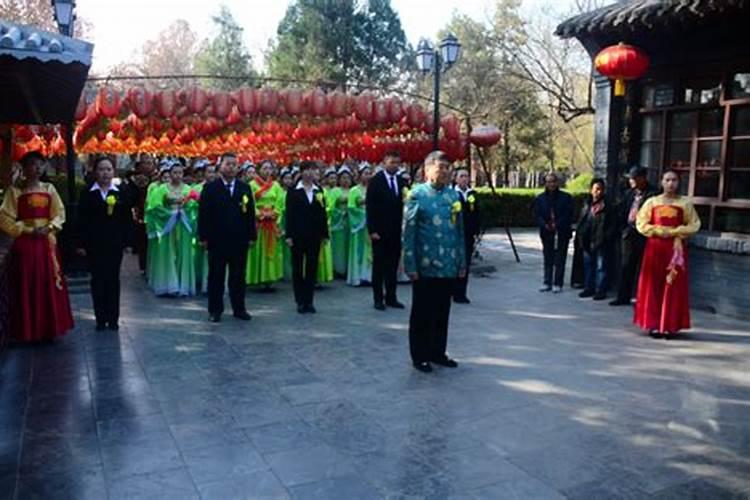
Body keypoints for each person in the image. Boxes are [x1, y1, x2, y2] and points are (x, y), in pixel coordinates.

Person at [0, 151, 74, 342]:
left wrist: (50, 227)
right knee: (26, 283)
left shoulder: (49, 189)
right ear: (24, 169)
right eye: (32, 164)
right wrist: (25, 229)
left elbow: (59, 213)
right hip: (25, 244)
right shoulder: (15, 192)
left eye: (41, 164)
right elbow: (4, 217)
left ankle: (47, 328)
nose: (37, 168)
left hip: (46, 243)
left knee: (46, 282)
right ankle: (26, 330)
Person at [403, 151, 466, 373]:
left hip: (448, 263)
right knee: (422, 312)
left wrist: (461, 261)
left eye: (448, 167)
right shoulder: (417, 195)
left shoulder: (453, 197)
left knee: (442, 311)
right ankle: (419, 355)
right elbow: (408, 232)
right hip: (425, 264)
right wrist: (410, 264)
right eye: (441, 167)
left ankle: (437, 352)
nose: (446, 172)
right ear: (427, 169)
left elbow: (459, 230)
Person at [634, 170, 700, 338]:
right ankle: (654, 324)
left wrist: (675, 231)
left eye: (674, 180)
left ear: (679, 183)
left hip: (675, 249)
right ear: (662, 182)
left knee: (673, 285)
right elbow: (641, 223)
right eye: (667, 180)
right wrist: (657, 230)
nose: (671, 183)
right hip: (655, 248)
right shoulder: (652, 202)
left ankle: (670, 324)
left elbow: (694, 224)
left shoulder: (685, 203)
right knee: (653, 285)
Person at [198, 152, 256, 322]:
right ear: (220, 166)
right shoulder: (210, 188)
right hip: (217, 240)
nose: (231, 167)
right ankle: (215, 310)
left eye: (234, 164)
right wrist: (203, 237)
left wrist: (251, 235)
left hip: (239, 239)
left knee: (238, 276)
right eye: (228, 164)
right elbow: (204, 215)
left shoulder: (244, 188)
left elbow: (250, 214)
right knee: (216, 276)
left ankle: (239, 308)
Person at [77, 156, 133, 330]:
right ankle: (100, 318)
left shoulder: (120, 192)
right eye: (101, 169)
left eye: (108, 169)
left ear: (113, 172)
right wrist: (80, 243)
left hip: (114, 244)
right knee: (98, 280)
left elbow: (127, 219)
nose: (105, 173)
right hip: (94, 244)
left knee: (113, 280)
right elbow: (81, 220)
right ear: (95, 172)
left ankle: (113, 318)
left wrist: (127, 241)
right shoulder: (88, 193)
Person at [145, 162, 198, 297]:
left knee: (183, 253)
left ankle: (182, 284)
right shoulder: (162, 189)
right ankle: (168, 284)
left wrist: (185, 208)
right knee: (167, 253)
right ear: (170, 174)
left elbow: (193, 206)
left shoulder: (188, 189)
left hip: (183, 223)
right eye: (174, 173)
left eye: (180, 173)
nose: (177, 175)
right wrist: (169, 213)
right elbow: (154, 206)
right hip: (168, 224)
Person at [285, 161, 329, 314]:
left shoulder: (319, 190)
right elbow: (289, 214)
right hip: (297, 235)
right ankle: (299, 300)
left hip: (314, 235)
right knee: (297, 269)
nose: (310, 173)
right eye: (307, 170)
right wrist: (289, 235)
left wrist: (324, 234)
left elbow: (323, 213)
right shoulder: (293, 191)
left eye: (313, 170)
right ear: (301, 172)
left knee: (311, 268)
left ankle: (309, 301)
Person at [610, 166, 658, 306]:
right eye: (630, 178)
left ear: (642, 178)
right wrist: (622, 228)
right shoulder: (629, 194)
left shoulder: (653, 194)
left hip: (644, 236)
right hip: (628, 235)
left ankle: (642, 299)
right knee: (626, 266)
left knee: (644, 269)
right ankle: (623, 296)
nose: (631, 181)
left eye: (633, 178)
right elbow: (622, 212)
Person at [366, 151, 406, 310]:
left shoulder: (402, 181)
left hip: (396, 230)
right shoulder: (376, 181)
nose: (395, 166)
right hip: (380, 231)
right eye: (392, 162)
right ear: (384, 163)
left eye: (397, 163)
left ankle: (391, 296)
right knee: (379, 266)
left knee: (393, 265)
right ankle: (378, 298)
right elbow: (370, 207)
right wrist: (372, 230)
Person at [246, 160, 284, 290]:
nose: (267, 171)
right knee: (258, 250)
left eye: (270, 168)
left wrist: (274, 213)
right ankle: (258, 278)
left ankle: (270, 279)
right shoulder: (251, 185)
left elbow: (280, 202)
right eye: (265, 168)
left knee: (272, 250)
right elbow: (249, 203)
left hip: (272, 222)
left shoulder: (276, 186)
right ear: (259, 170)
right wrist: (259, 214)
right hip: (259, 223)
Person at [576, 178, 616, 301]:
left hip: (601, 241)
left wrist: (605, 237)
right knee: (588, 265)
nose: (598, 192)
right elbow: (582, 220)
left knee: (601, 267)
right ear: (591, 190)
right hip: (587, 240)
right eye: (596, 189)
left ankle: (600, 290)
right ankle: (589, 288)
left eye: (600, 189)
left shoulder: (608, 205)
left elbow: (612, 225)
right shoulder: (587, 203)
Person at [533, 172, 574, 293]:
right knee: (548, 257)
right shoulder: (540, 198)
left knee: (560, 258)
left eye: (553, 181)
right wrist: (545, 224)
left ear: (557, 183)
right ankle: (547, 281)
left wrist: (558, 224)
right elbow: (537, 214)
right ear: (545, 183)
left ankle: (558, 283)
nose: (551, 184)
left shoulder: (566, 197)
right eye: (548, 182)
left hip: (562, 232)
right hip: (546, 232)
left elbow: (569, 214)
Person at [452, 167, 481, 304]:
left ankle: (461, 293)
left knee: (466, 264)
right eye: (461, 176)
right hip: (454, 236)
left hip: (468, 235)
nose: (464, 178)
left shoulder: (473, 194)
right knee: (454, 264)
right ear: (455, 178)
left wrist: (476, 231)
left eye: (466, 176)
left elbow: (477, 214)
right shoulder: (452, 194)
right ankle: (452, 291)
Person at [347, 163, 373, 287]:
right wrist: (363, 214)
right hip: (359, 226)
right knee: (359, 250)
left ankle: (368, 276)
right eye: (365, 173)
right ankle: (357, 276)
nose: (368, 176)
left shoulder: (373, 189)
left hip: (370, 225)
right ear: (359, 175)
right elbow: (351, 208)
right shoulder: (354, 190)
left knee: (370, 250)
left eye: (369, 173)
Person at [330, 166, 352, 278]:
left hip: (351, 222)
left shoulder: (353, 190)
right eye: (343, 177)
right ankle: (338, 269)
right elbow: (330, 207)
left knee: (349, 245)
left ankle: (349, 269)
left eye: (348, 177)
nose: (346, 180)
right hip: (339, 222)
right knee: (339, 246)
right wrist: (340, 213)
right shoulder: (335, 191)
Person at [317, 167, 337, 284]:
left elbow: (329, 206)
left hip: (322, 223)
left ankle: (321, 276)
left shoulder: (322, 191)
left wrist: (323, 212)